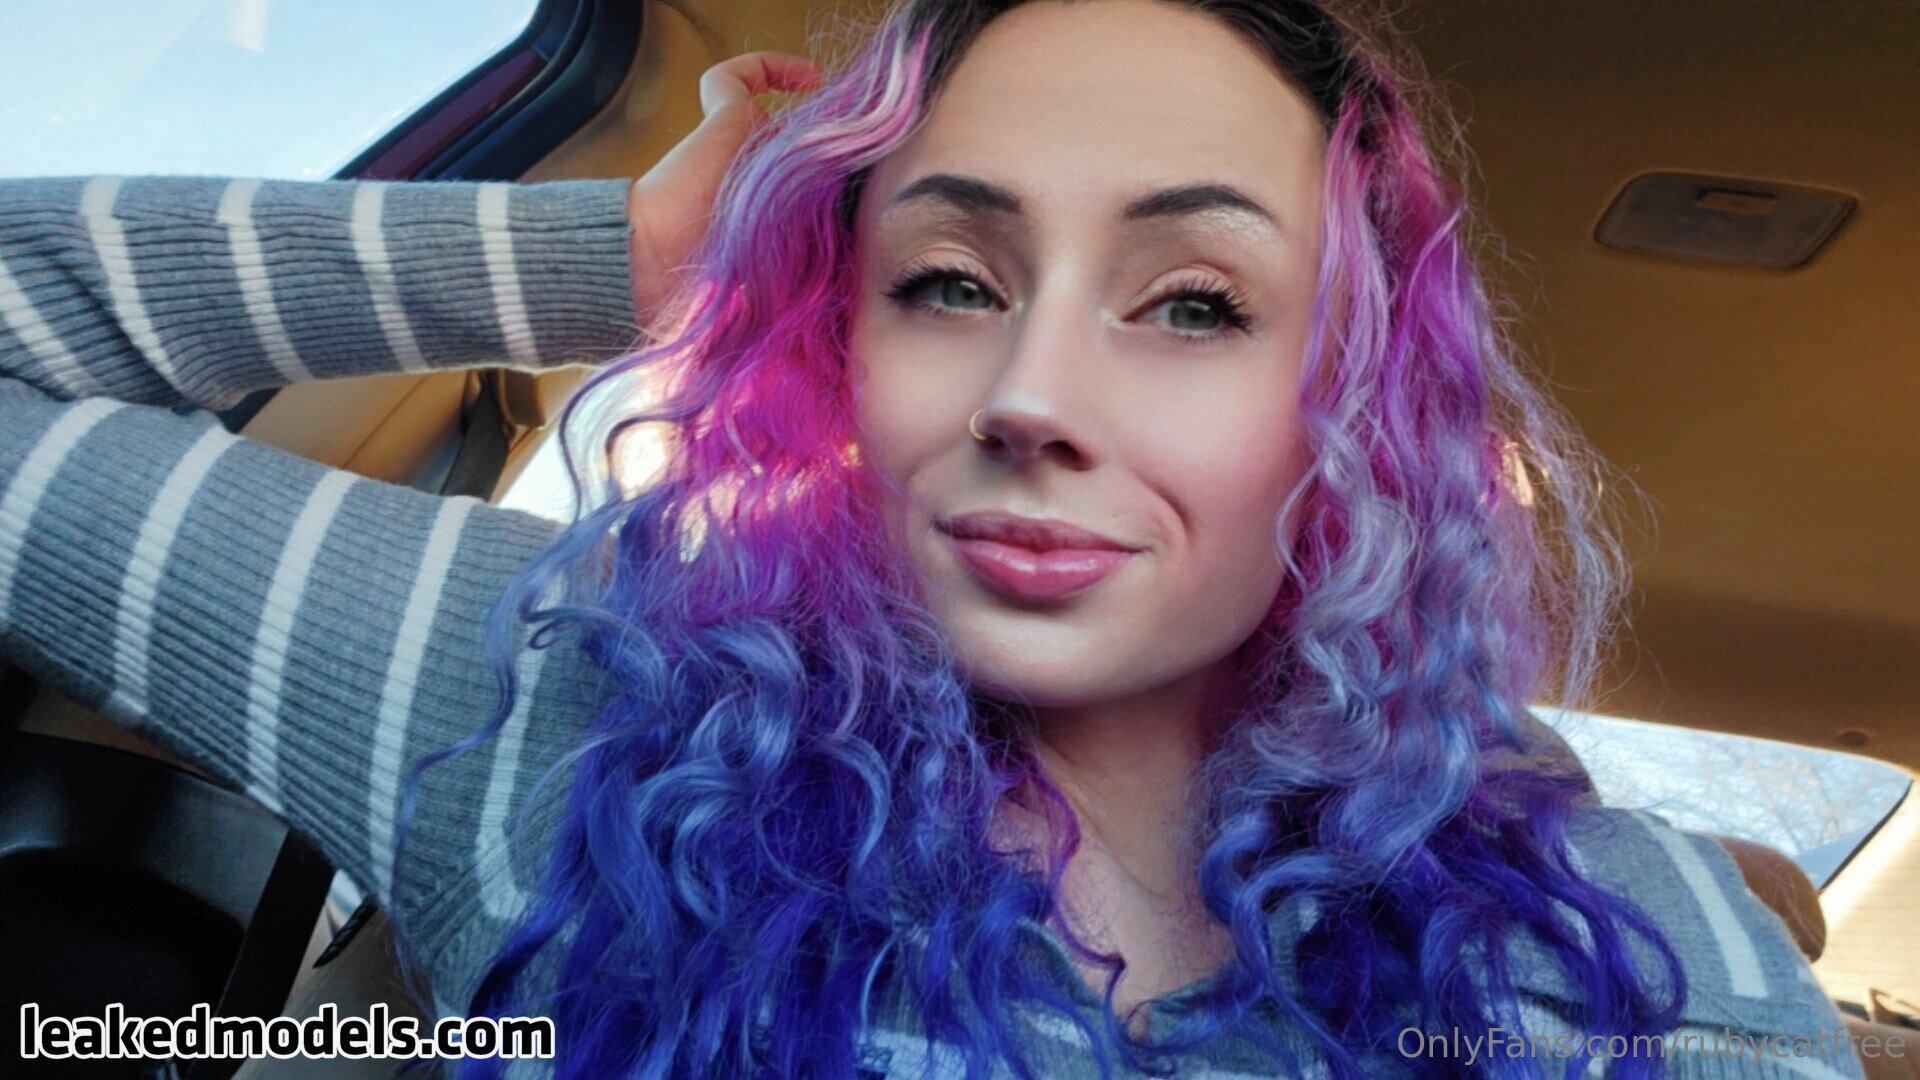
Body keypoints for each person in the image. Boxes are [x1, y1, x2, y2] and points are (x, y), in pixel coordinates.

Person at [0, 1, 1865, 1077]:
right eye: (950, 278)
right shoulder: (562, 706)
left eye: (1196, 303)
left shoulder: (1641, 959)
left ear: (1354, 404)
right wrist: (640, 257)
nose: (1031, 394)